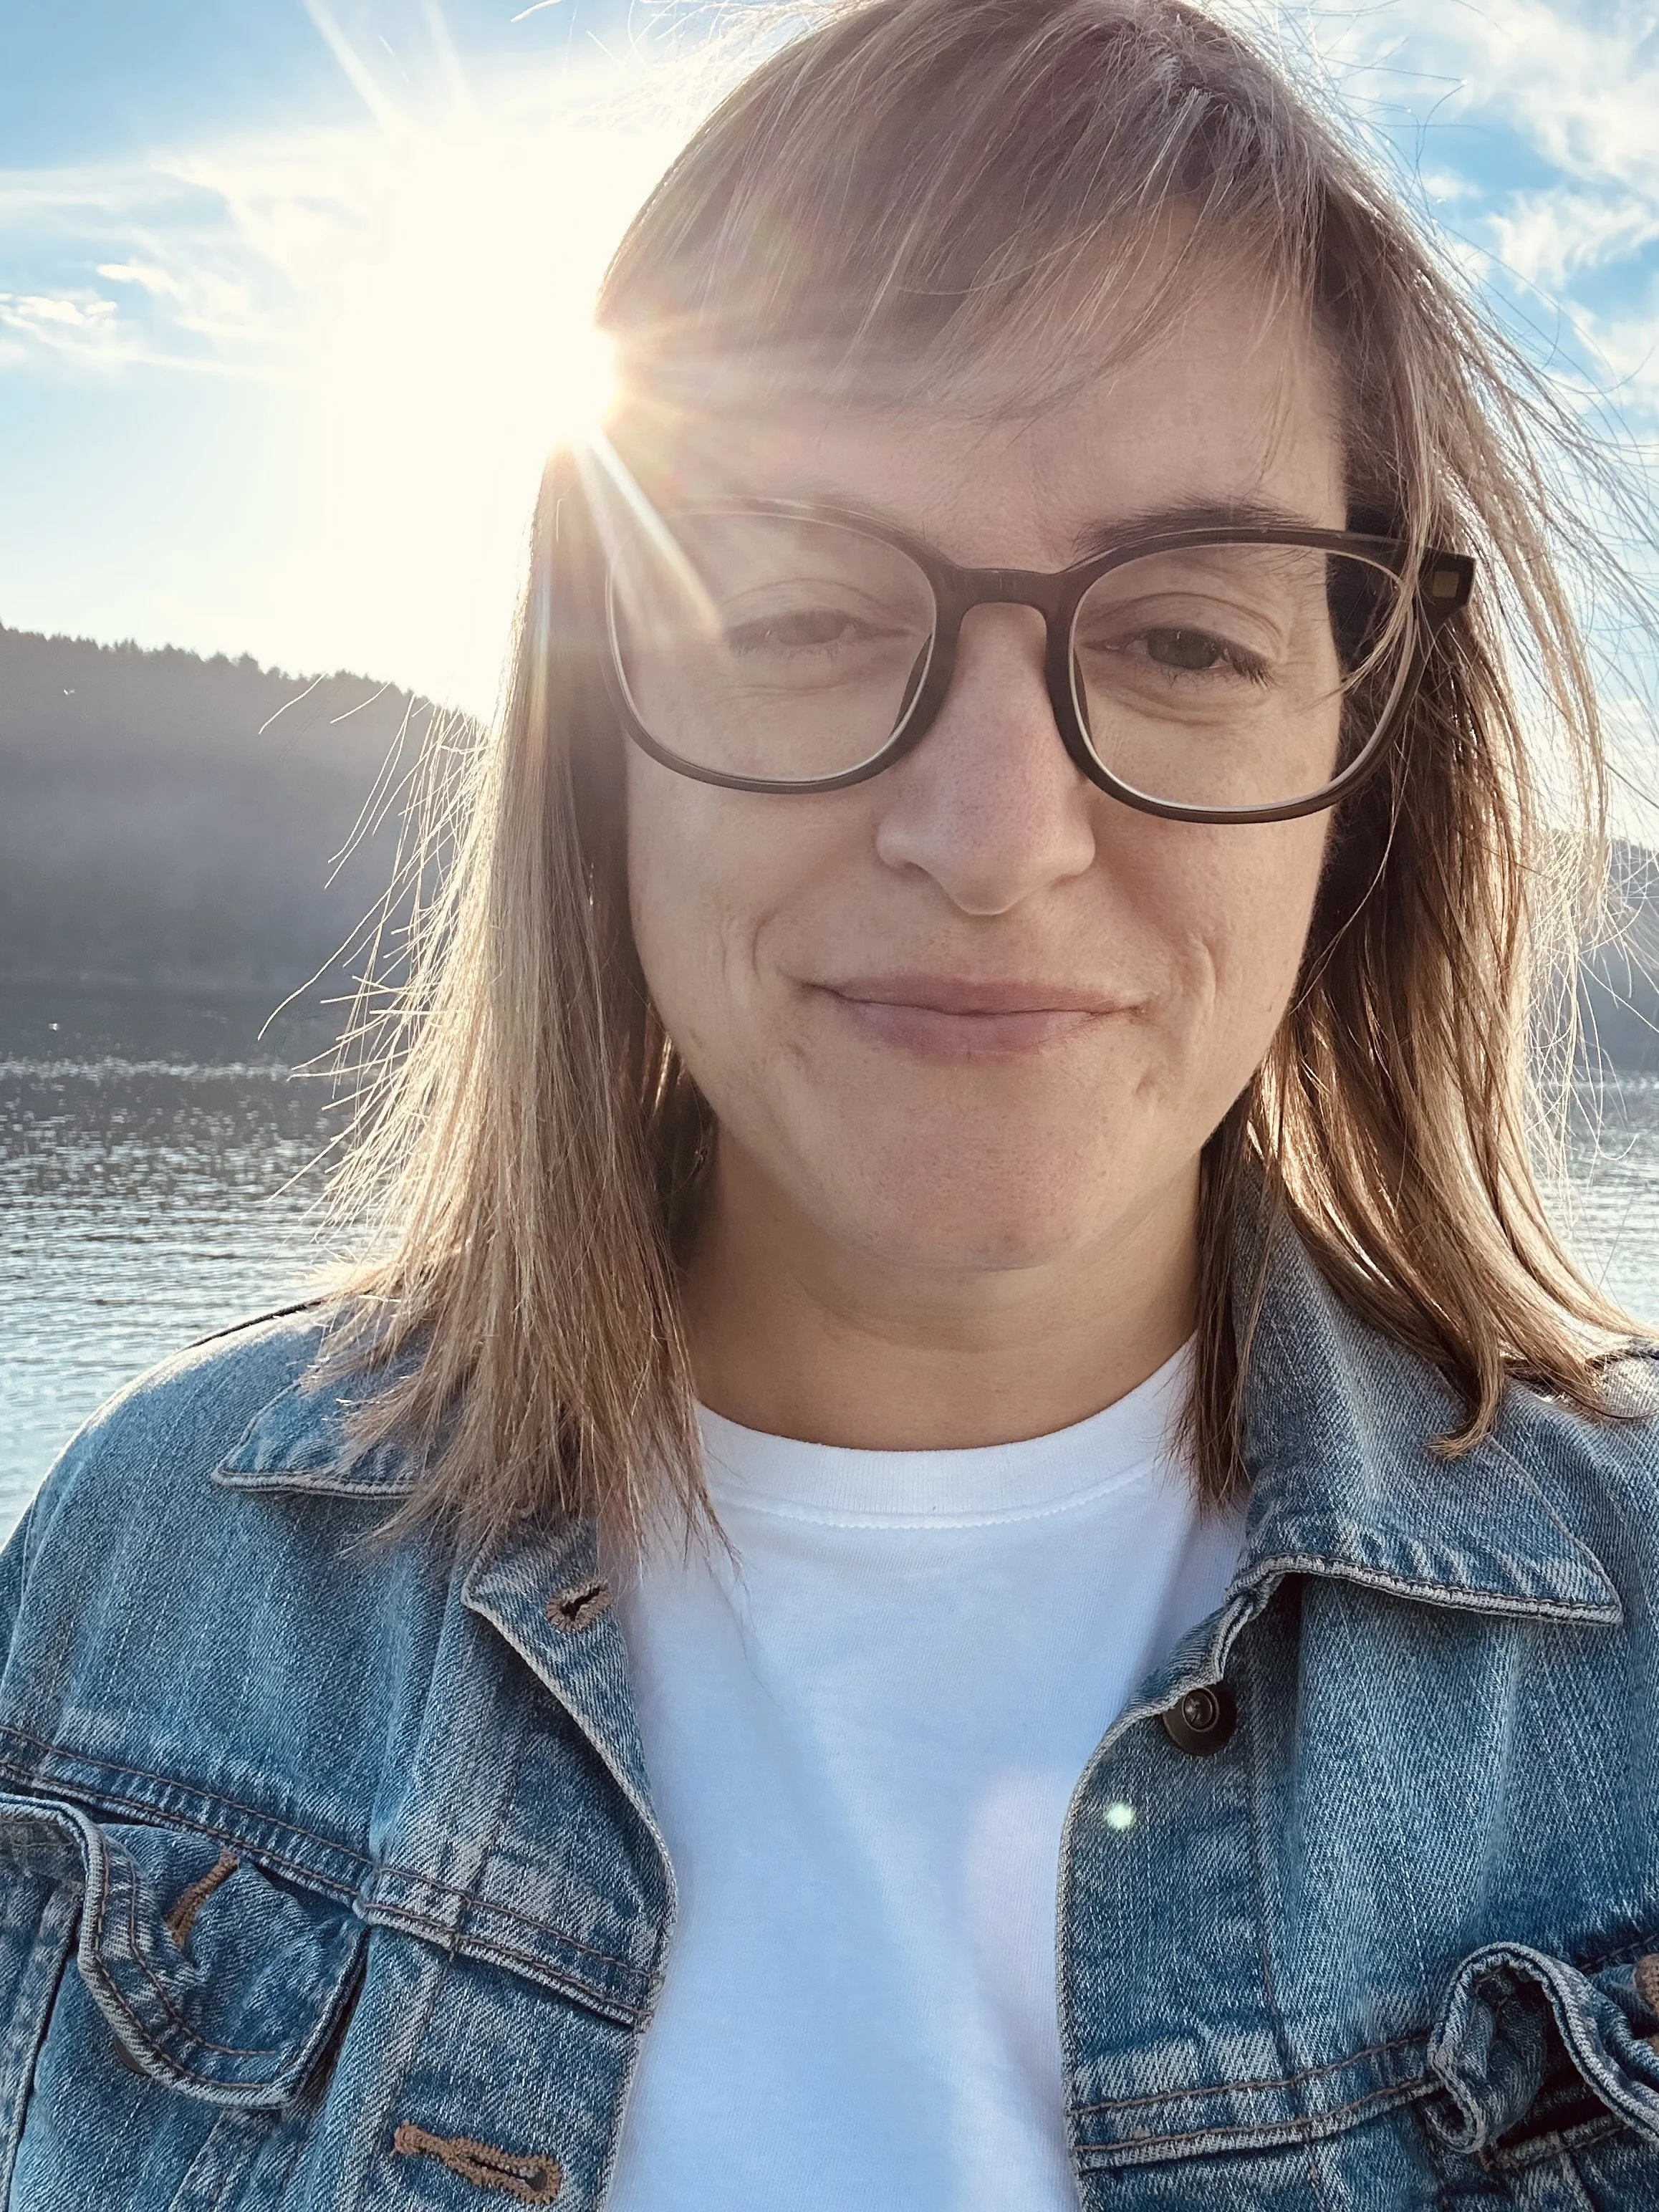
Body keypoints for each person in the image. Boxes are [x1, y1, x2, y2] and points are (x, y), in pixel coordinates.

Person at [3, 0, 1658, 2205]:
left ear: (1358, 778)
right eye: (799, 609)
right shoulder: (147, 1588)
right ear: (598, 741)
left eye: (1183, 640)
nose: (989, 835)